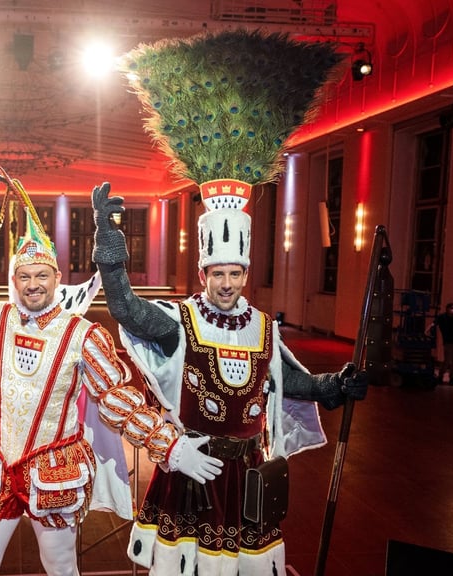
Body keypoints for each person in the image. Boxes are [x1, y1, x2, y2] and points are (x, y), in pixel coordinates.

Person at [0, 186, 223, 576]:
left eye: (42, 275)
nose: (33, 283)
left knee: (59, 565)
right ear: (14, 279)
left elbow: (119, 400)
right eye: (24, 276)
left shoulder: (82, 335)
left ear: (57, 278)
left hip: (54, 469)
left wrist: (171, 447)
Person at [91, 182, 368, 576]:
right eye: (217, 273)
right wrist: (109, 242)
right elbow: (125, 308)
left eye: (234, 273)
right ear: (203, 273)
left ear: (245, 273)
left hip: (247, 475)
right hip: (193, 473)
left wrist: (333, 386)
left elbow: (289, 381)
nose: (226, 283)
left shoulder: (263, 327)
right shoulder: (179, 325)